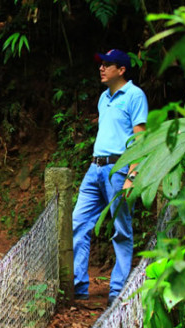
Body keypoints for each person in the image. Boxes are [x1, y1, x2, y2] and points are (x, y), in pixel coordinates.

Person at [73, 49, 148, 306]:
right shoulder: (103, 98)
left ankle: (116, 293)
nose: (101, 68)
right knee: (78, 223)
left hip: (119, 169)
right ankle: (78, 288)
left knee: (122, 231)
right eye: (100, 64)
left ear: (122, 69)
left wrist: (133, 175)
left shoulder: (135, 96)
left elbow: (141, 138)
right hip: (95, 168)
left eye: (107, 65)